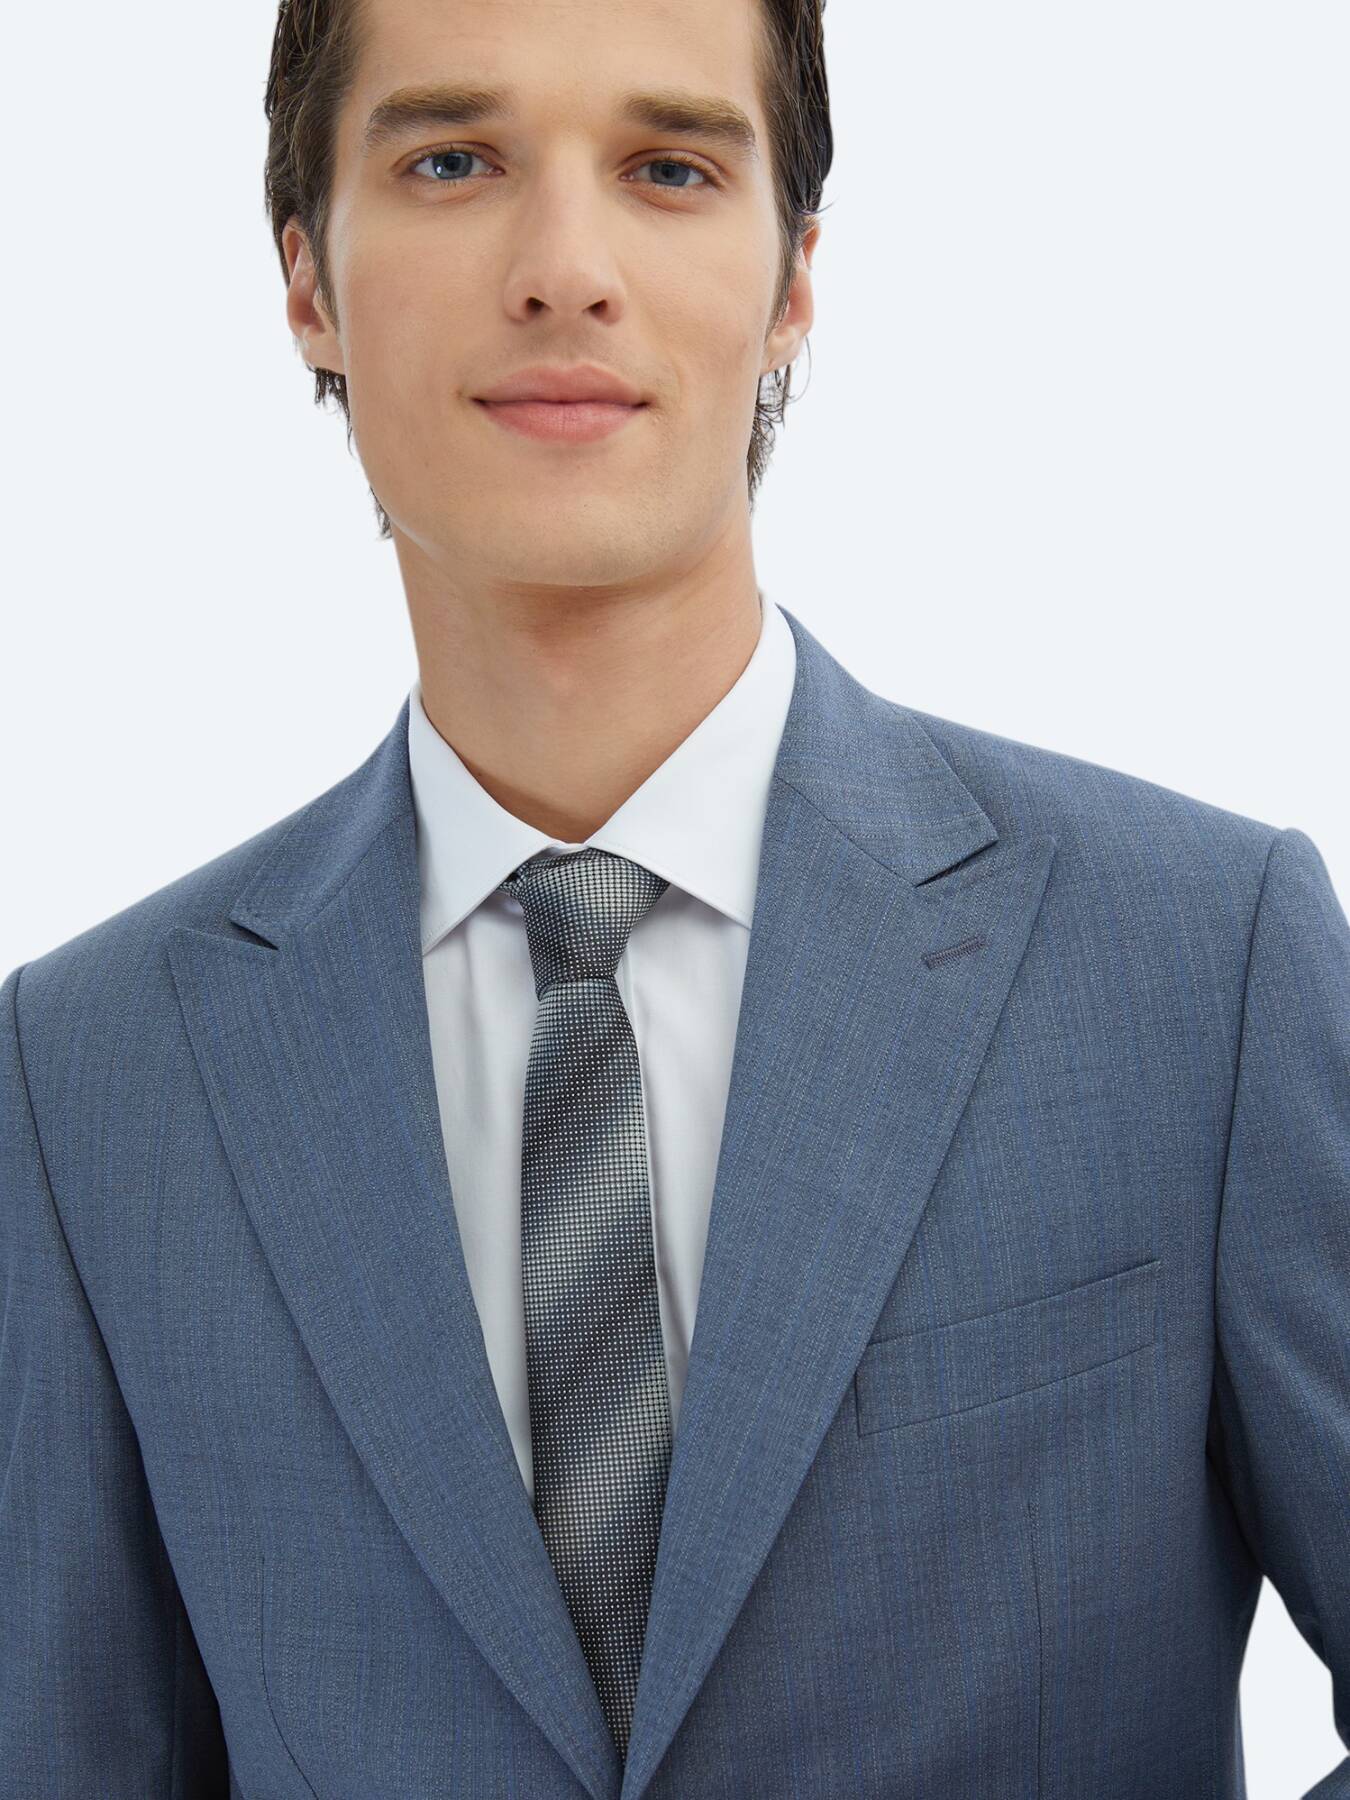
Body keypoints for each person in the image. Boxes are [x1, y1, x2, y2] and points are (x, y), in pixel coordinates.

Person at [2, 0, 1346, 1792]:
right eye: (452, 161)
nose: (563, 269)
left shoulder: (1200, 964)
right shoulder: (91, 1078)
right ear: (307, 280)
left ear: (793, 277)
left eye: (667, 168)